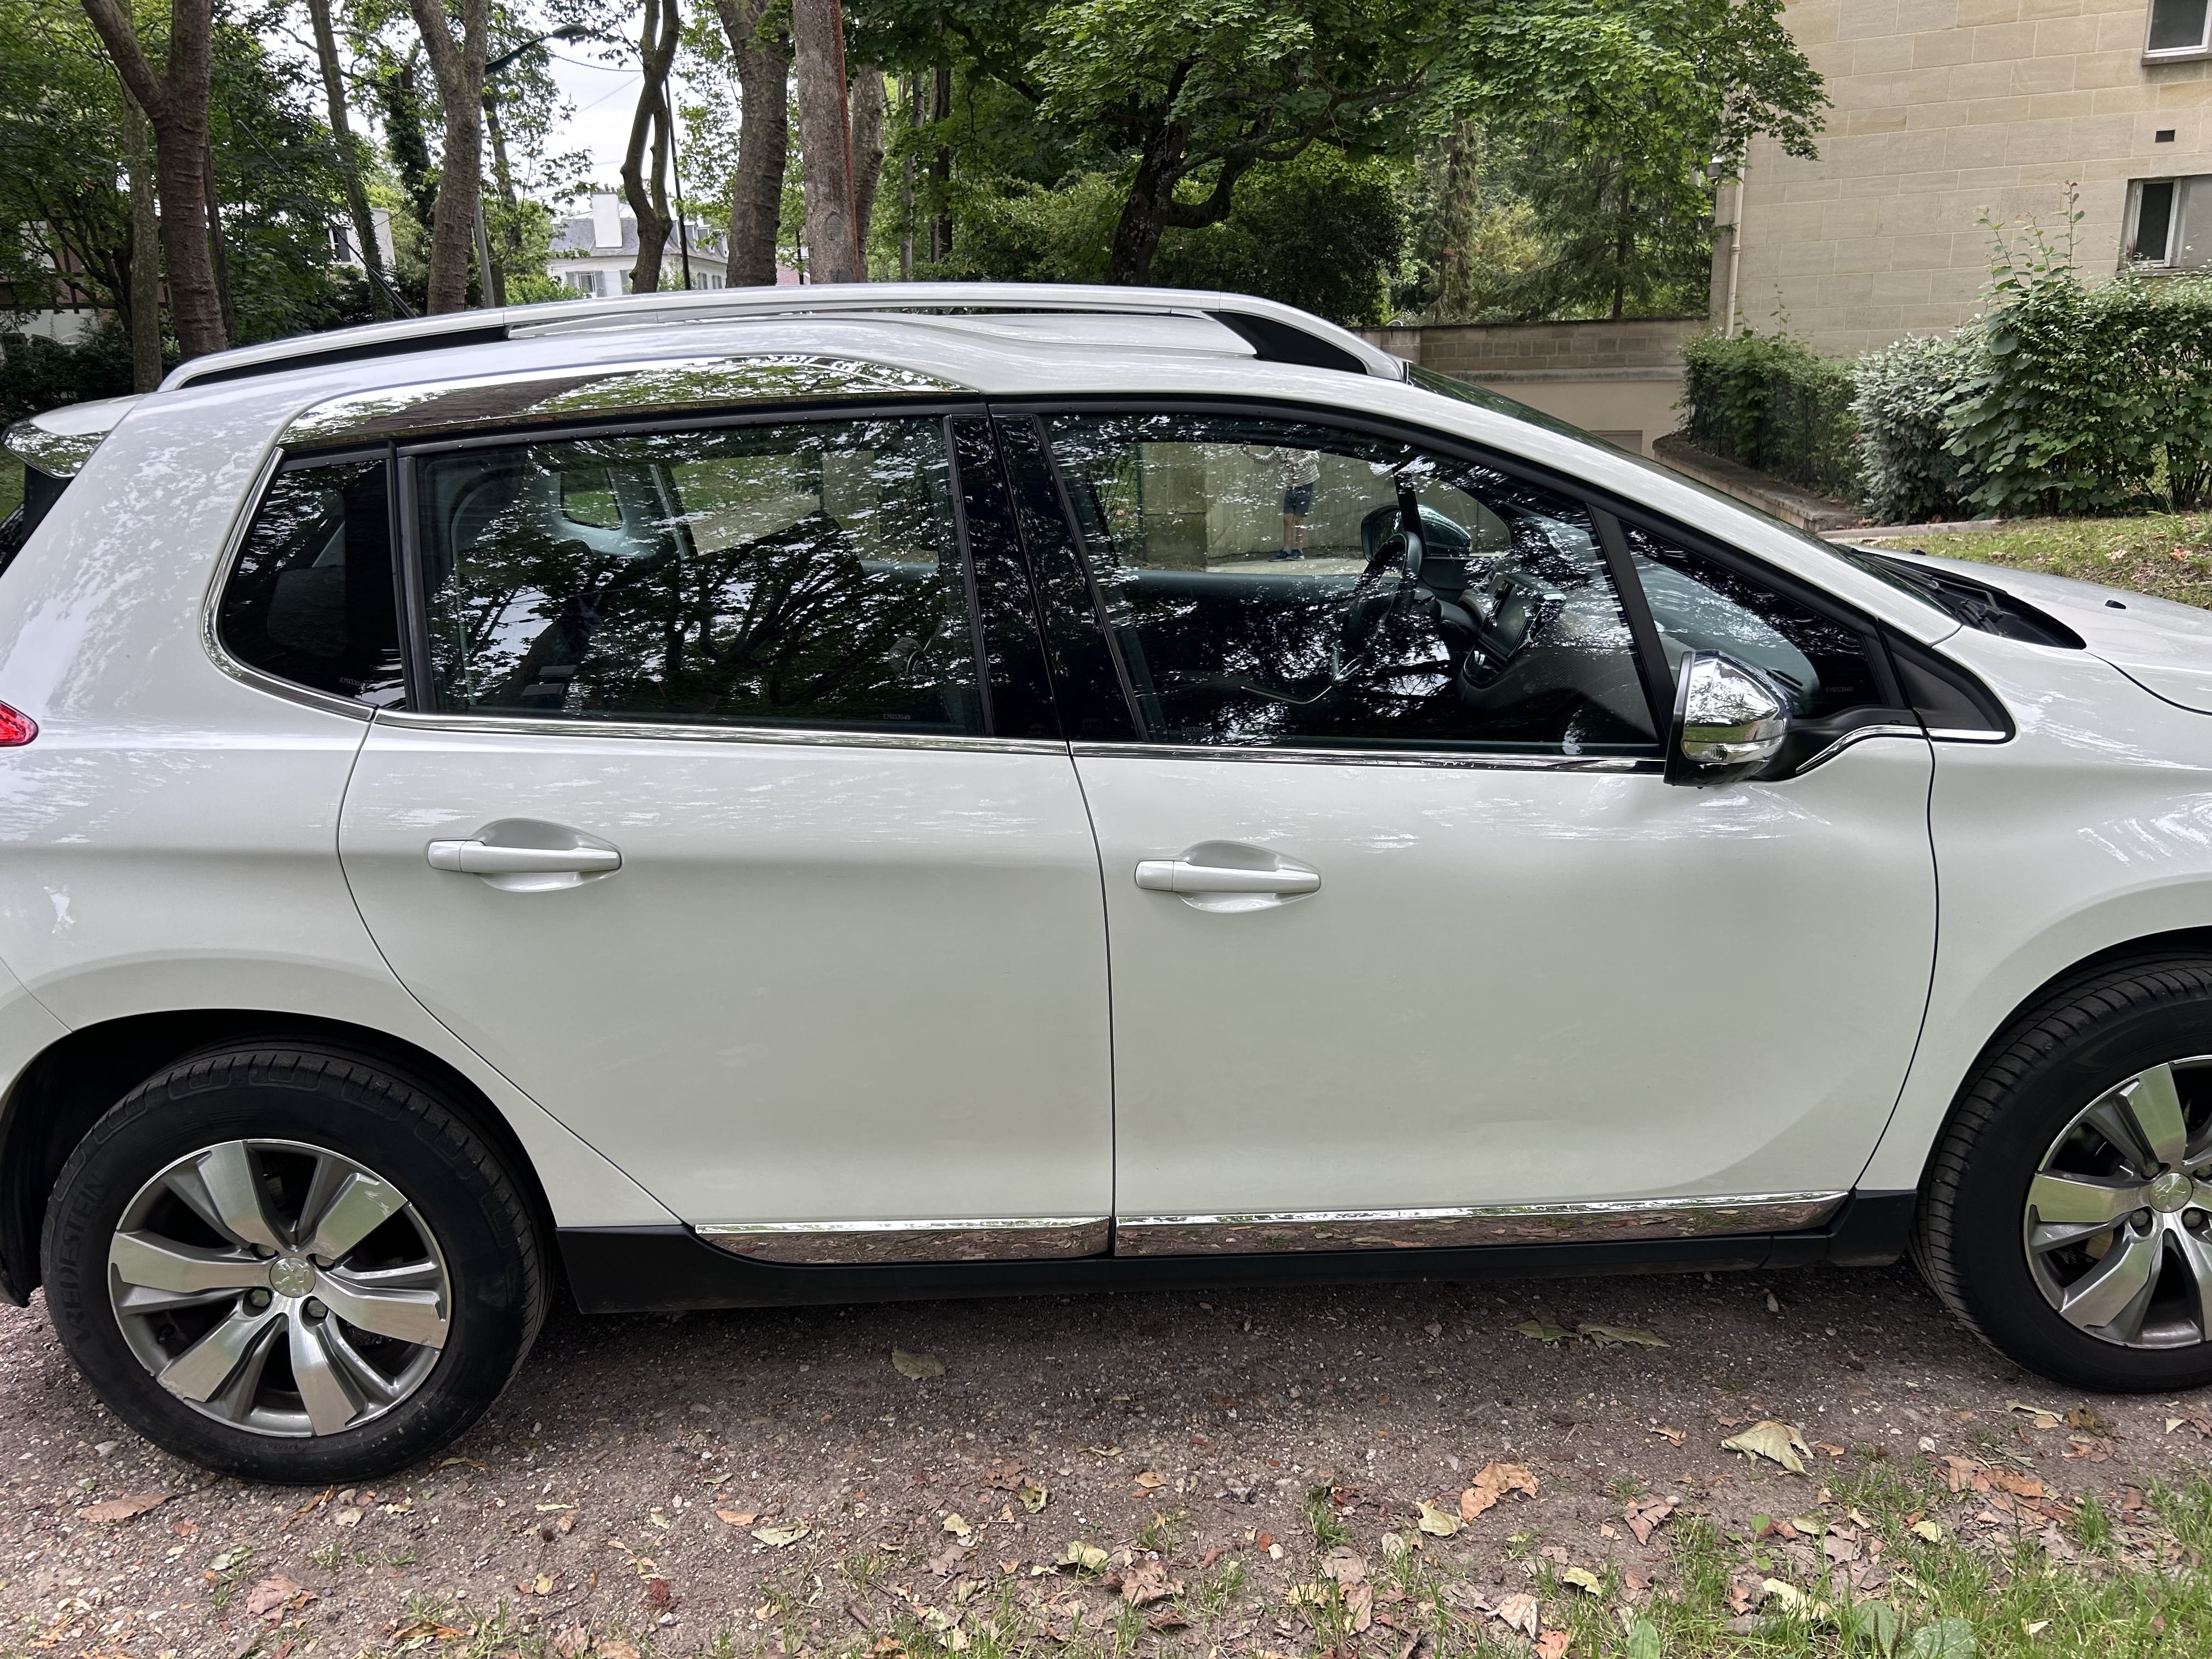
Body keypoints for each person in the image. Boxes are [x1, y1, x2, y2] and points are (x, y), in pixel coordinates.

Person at [1242, 444, 1322, 559]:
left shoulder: (1298, 443)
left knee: (1300, 519)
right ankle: (1287, 551)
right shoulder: (1280, 448)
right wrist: (1249, 454)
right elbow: (1267, 460)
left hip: (1306, 483)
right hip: (1292, 484)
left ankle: (1299, 552)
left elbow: (1315, 457)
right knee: (1287, 519)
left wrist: (1297, 463)